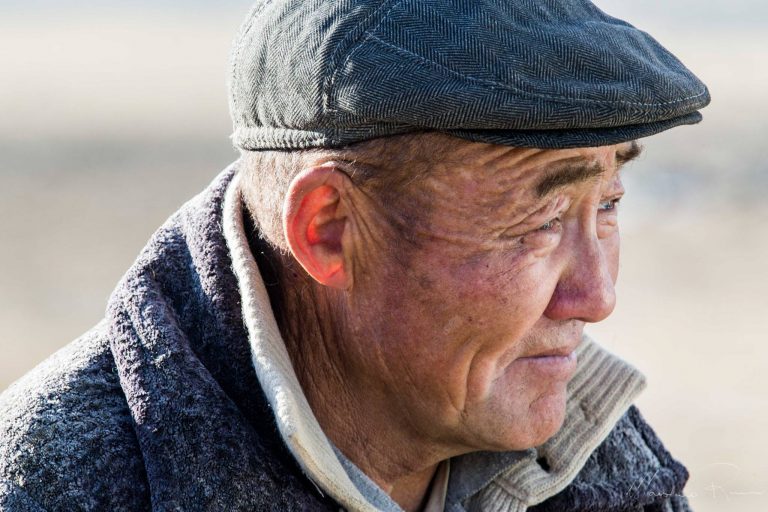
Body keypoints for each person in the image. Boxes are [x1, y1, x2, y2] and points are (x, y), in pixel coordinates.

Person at [0, 1, 709, 511]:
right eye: (542, 219)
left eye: (608, 204)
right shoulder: (55, 484)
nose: (596, 295)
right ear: (328, 228)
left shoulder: (604, 458)